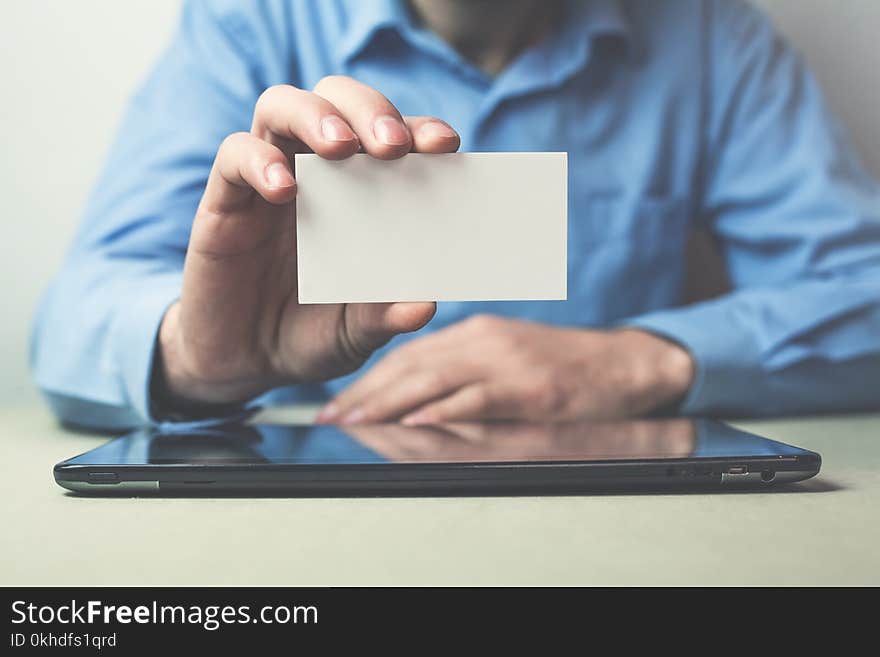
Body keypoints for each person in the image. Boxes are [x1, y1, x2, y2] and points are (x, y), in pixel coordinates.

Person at [31, 0, 880, 431]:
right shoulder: (253, 23)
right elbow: (77, 311)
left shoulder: (709, 37)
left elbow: (862, 292)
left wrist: (641, 360)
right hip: (316, 526)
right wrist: (193, 355)